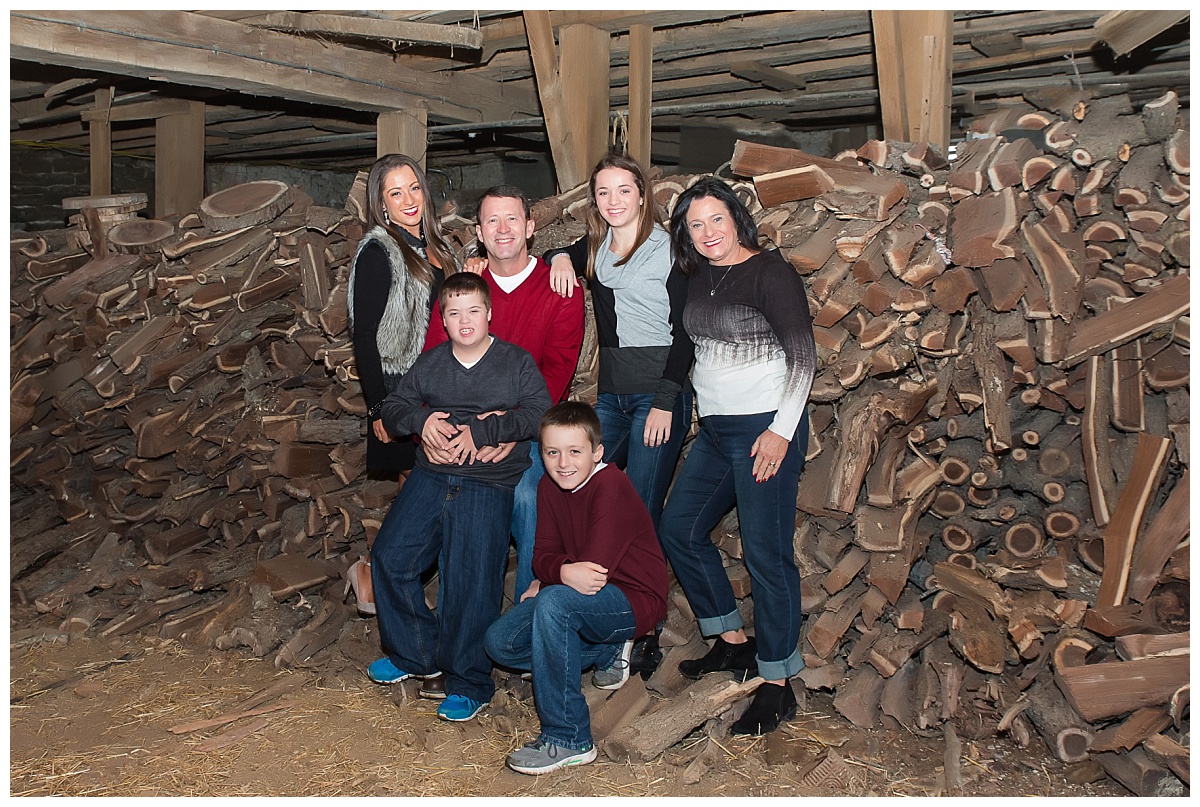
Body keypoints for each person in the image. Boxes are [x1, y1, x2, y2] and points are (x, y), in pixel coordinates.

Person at [657, 177, 816, 736]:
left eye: (715, 220)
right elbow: (689, 346)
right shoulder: (695, 275)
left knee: (767, 555)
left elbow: (803, 357)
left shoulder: (769, 271)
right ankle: (732, 641)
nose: (707, 233)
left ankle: (778, 684)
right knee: (679, 528)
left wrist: (780, 431)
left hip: (765, 427)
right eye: (694, 225)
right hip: (717, 430)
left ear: (736, 219)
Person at [369, 272, 552, 723]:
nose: (465, 320)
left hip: (488, 480)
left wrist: (486, 429)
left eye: (474, 310)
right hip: (433, 474)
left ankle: (469, 681)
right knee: (391, 558)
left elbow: (539, 413)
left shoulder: (515, 362)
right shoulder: (430, 363)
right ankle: (417, 656)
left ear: (490, 314)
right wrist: (421, 420)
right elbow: (392, 408)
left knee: (472, 578)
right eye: (454, 313)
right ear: (444, 320)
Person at [484, 402, 668, 774]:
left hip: (634, 599)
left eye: (574, 452)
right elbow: (541, 557)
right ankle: (606, 650)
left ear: (597, 452)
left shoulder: (611, 486)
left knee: (553, 604)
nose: (563, 463)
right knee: (500, 642)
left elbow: (593, 571)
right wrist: (560, 572)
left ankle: (569, 738)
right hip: (581, 597)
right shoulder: (550, 488)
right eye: (552, 452)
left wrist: (555, 576)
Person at [424, 185, 585, 603]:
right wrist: (432, 427)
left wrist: (507, 430)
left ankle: (528, 625)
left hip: (530, 427)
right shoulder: (465, 289)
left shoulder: (559, 289)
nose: (502, 229)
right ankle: (459, 625)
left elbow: (556, 373)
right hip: (462, 424)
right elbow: (431, 361)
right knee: (455, 498)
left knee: (530, 497)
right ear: (477, 231)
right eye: (491, 220)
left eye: (512, 218)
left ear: (530, 227)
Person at [542, 154, 693, 530]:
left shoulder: (671, 249)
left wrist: (664, 402)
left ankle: (640, 588)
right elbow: (552, 254)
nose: (614, 201)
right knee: (580, 488)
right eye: (604, 192)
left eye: (624, 190)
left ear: (642, 195)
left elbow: (686, 333)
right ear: (594, 200)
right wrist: (560, 257)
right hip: (612, 396)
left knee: (639, 508)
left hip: (658, 393)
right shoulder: (596, 244)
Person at [345, 154, 458, 620]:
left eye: (414, 188)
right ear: (382, 204)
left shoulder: (436, 246)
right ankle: (379, 573)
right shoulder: (378, 250)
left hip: (440, 384)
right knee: (419, 495)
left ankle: (386, 575)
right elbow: (364, 338)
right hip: (401, 389)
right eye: (396, 192)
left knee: (430, 495)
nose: (409, 199)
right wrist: (379, 411)